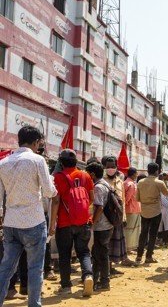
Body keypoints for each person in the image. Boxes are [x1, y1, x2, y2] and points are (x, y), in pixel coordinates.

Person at [0, 126, 57, 307]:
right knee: (35, 268)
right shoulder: (37, 160)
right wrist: (52, 185)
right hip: (33, 221)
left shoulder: (3, 163)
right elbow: (49, 192)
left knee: (6, 268)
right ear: (36, 142)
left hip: (10, 222)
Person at [49, 149, 94, 297]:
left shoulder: (58, 177)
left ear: (61, 163)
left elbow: (56, 201)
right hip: (83, 221)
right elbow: (91, 198)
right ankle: (88, 276)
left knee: (64, 255)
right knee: (84, 252)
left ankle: (66, 286)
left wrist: (52, 225)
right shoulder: (85, 175)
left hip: (65, 223)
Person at [102, 156, 135, 271]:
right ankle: (106, 268)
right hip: (105, 217)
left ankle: (111, 267)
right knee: (106, 243)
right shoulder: (101, 180)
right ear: (104, 167)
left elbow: (123, 200)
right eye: (108, 167)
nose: (110, 169)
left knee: (115, 243)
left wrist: (123, 217)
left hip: (117, 217)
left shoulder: (120, 182)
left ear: (116, 167)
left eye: (113, 166)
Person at [86, 162, 113, 291]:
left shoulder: (98, 187)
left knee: (101, 254)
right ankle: (96, 279)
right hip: (107, 225)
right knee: (98, 254)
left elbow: (99, 207)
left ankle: (104, 282)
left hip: (101, 226)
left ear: (92, 174)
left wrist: (92, 222)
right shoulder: (106, 184)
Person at [136, 163, 168, 264]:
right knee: (153, 234)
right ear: (157, 171)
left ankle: (138, 256)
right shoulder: (159, 182)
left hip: (144, 210)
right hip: (155, 210)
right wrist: (166, 181)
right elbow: (167, 193)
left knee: (143, 234)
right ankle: (149, 256)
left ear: (147, 170)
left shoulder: (140, 182)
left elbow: (137, 198)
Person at [124, 167, 141, 252]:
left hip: (131, 209)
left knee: (129, 229)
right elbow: (127, 198)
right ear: (134, 174)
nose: (137, 175)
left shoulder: (126, 182)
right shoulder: (131, 184)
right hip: (131, 209)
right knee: (130, 229)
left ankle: (128, 248)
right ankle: (128, 248)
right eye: (136, 173)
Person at [157, 173, 168, 247]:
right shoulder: (160, 190)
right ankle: (162, 241)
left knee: (167, 225)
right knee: (162, 225)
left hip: (166, 210)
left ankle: (166, 241)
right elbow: (165, 202)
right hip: (162, 209)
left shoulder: (167, 189)